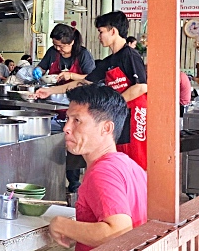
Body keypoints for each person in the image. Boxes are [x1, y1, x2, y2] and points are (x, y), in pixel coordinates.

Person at [36, 11, 148, 171]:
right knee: (119, 160)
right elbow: (83, 82)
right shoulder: (109, 61)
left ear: (113, 31)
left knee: (136, 162)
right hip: (118, 116)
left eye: (101, 32)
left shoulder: (129, 55)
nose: (99, 36)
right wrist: (50, 91)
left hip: (135, 116)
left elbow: (141, 86)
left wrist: (114, 105)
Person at [48, 85, 148, 251]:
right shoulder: (128, 164)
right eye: (67, 119)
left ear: (106, 128)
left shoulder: (102, 172)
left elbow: (119, 231)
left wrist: (61, 225)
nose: (66, 128)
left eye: (77, 121)